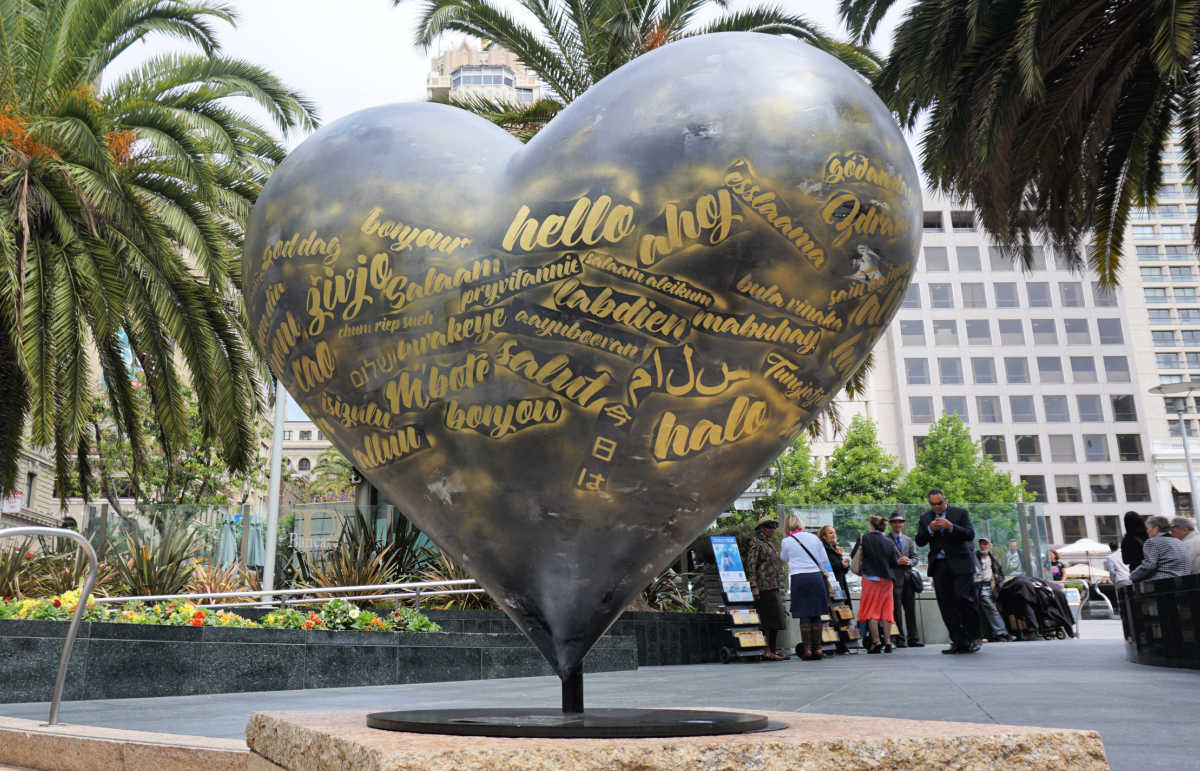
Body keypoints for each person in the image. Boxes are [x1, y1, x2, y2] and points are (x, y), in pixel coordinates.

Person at [915, 488, 982, 654]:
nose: (937, 507)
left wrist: (951, 527)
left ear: (945, 500)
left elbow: (970, 534)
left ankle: (974, 637)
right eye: (933, 504)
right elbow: (920, 541)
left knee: (964, 599)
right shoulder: (926, 518)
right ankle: (958, 641)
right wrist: (930, 530)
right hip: (940, 565)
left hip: (961, 564)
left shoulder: (960, 513)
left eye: (939, 503)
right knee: (946, 604)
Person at [779, 514, 833, 661]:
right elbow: (823, 560)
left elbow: (783, 558)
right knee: (816, 613)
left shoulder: (787, 541)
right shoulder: (814, 538)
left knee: (804, 614)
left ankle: (808, 650)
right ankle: (819, 648)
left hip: (799, 578)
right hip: (815, 577)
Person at [851, 515, 908, 654]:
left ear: (871, 525)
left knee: (871, 612)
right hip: (887, 581)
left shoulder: (864, 538)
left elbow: (854, 555)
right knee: (886, 611)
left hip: (870, 579)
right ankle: (888, 641)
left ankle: (876, 642)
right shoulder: (888, 541)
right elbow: (894, 561)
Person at [744, 515, 789, 660]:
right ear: (762, 528)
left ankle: (773, 649)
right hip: (763, 587)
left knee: (775, 620)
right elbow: (751, 566)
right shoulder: (756, 543)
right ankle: (767, 650)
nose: (772, 530)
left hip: (773, 585)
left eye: (773, 527)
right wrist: (754, 586)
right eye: (769, 527)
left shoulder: (769, 543)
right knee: (767, 620)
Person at [886, 512, 923, 648]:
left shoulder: (908, 540)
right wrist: (897, 562)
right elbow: (884, 560)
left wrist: (909, 562)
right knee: (895, 611)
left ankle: (913, 639)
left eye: (900, 522)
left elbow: (915, 557)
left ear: (903, 524)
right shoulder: (886, 539)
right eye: (895, 522)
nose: (898, 524)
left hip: (908, 579)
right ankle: (899, 639)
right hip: (894, 580)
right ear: (891, 524)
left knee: (911, 610)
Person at [818, 524, 854, 655]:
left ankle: (843, 642)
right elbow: (827, 566)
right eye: (830, 533)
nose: (833, 535)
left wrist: (844, 566)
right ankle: (836, 643)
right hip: (831, 586)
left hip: (840, 584)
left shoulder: (835, 548)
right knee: (834, 615)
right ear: (823, 536)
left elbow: (840, 569)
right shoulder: (824, 549)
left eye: (834, 533)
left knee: (841, 614)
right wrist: (841, 564)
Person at [1129, 515, 1191, 584]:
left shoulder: (1152, 542)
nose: (1147, 531)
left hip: (1163, 583)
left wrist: (1133, 575)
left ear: (1155, 529)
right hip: (1184, 581)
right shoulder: (1179, 542)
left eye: (1148, 528)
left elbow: (1149, 565)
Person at [974, 538, 1009, 642]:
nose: (983, 546)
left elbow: (1000, 573)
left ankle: (995, 633)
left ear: (990, 546)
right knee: (991, 608)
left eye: (985, 544)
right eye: (981, 544)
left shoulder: (993, 559)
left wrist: (996, 581)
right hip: (980, 586)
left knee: (993, 609)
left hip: (992, 587)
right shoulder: (974, 557)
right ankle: (1001, 632)